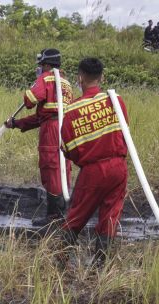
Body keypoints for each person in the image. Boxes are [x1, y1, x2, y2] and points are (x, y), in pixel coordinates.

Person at [60, 58, 129, 267]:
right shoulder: (115, 100)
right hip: (119, 167)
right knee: (110, 216)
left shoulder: (72, 111)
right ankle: (101, 265)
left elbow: (68, 150)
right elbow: (125, 132)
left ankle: (59, 260)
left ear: (79, 78)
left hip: (92, 171)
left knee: (77, 214)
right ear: (102, 77)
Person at [4, 48, 73, 226]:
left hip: (51, 130)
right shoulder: (65, 83)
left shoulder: (46, 78)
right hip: (65, 127)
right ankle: (63, 212)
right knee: (63, 167)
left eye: (41, 65)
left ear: (47, 64)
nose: (40, 68)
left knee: (51, 168)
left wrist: (37, 80)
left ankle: (53, 217)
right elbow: (42, 116)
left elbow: (29, 100)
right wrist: (17, 123)